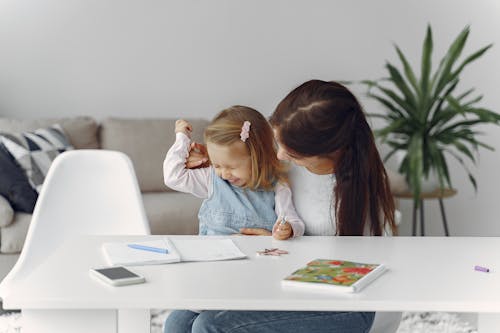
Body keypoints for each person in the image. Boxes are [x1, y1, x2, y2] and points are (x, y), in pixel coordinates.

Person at [164, 80, 399, 333]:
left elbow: (358, 272)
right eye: (279, 142)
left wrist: (280, 247)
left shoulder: (357, 191)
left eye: (292, 151)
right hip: (287, 282)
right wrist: (208, 158)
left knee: (210, 327)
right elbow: (245, 155)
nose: (279, 155)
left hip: (342, 300)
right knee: (178, 322)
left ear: (327, 151)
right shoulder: (284, 167)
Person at [163, 105, 305, 239]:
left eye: (231, 167)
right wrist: (182, 138)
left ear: (258, 157)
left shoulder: (277, 185)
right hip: (215, 257)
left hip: (258, 258)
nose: (224, 174)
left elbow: (292, 219)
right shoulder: (211, 179)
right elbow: (173, 177)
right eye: (217, 165)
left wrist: (289, 229)